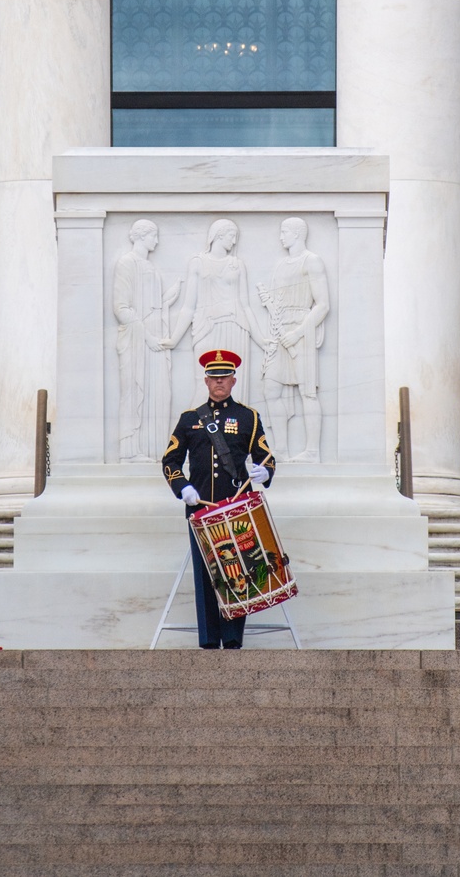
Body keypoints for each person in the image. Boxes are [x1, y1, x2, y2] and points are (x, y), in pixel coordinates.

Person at [162, 349, 275, 650]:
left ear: (234, 380)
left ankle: (233, 638)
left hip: (236, 507)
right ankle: (210, 640)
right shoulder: (189, 420)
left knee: (238, 570)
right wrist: (182, 488)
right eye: (214, 377)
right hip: (201, 509)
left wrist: (264, 472)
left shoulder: (248, 417)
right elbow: (170, 461)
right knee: (205, 574)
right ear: (206, 381)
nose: (219, 382)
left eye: (224, 377)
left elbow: (266, 457)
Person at [165, 219, 266, 403]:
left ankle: (237, 431)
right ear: (219, 235)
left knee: (234, 384)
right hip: (206, 327)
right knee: (203, 384)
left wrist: (261, 340)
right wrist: (174, 339)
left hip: (235, 328)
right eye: (231, 236)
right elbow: (188, 306)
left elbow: (246, 306)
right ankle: (194, 430)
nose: (234, 242)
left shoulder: (237, 264)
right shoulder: (198, 263)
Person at [258, 217, 330, 462]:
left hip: (302, 332)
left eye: (284, 232)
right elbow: (278, 302)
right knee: (270, 389)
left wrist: (298, 332)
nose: (281, 237)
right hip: (280, 331)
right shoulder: (281, 265)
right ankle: (281, 449)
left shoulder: (312, 261)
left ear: (297, 234)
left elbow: (322, 305)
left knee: (307, 393)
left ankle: (312, 451)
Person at [113, 220, 180, 462]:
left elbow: (152, 306)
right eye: (154, 236)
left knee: (160, 393)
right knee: (134, 392)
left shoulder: (150, 267)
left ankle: (156, 451)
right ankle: (131, 451)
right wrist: (147, 336)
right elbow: (122, 308)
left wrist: (167, 301)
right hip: (136, 340)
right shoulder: (126, 263)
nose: (157, 241)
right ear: (142, 236)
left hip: (153, 340)